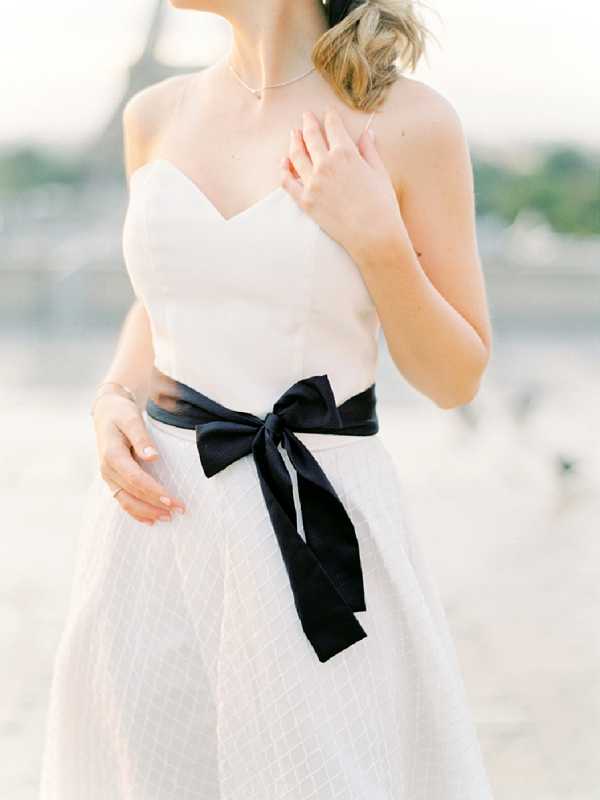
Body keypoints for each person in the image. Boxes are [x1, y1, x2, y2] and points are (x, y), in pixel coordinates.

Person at [39, 0, 494, 797]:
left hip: (315, 533)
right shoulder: (153, 114)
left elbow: (456, 378)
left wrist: (376, 238)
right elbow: (167, 298)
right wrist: (114, 393)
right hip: (155, 533)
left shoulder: (410, 123)